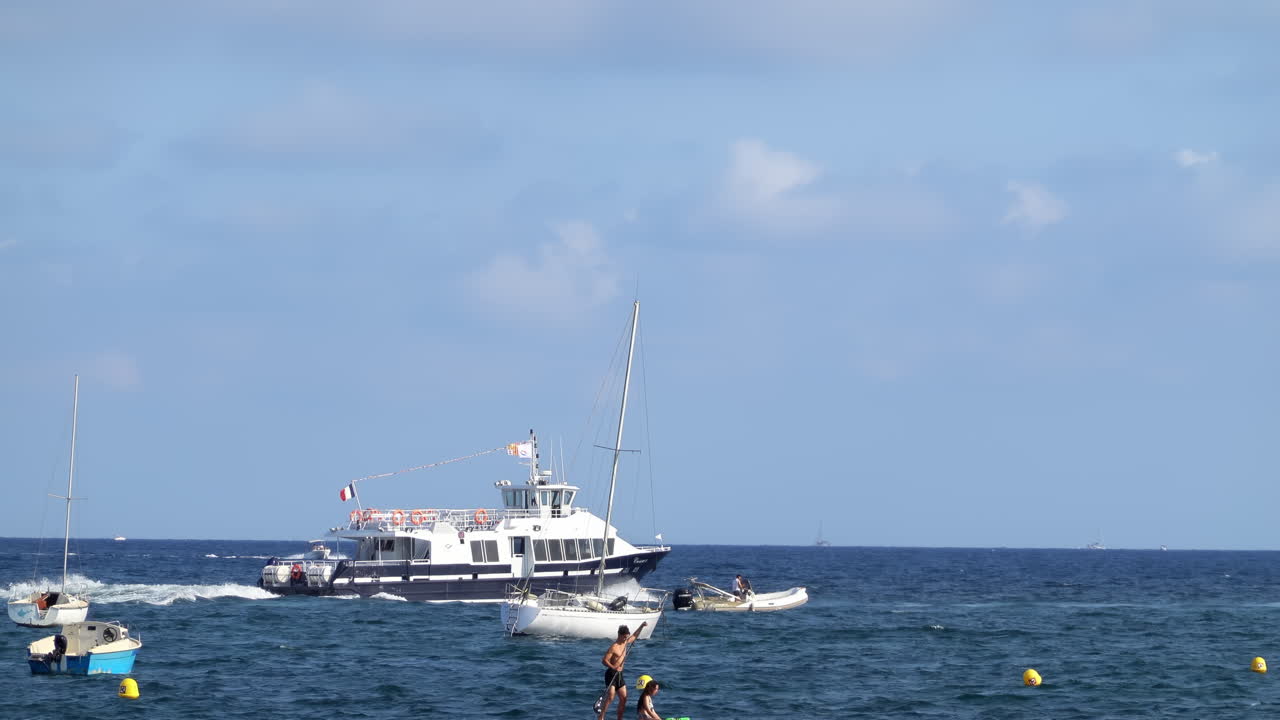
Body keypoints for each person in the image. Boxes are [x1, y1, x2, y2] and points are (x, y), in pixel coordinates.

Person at [597, 622, 647, 720]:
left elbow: (635, 636)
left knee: (624, 698)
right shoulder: (613, 647)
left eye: (626, 637)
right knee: (611, 697)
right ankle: (601, 716)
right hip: (611, 674)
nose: (626, 639)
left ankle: (619, 718)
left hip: (619, 675)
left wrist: (641, 626)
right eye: (624, 637)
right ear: (619, 635)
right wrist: (613, 667)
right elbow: (604, 661)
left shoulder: (625, 642)